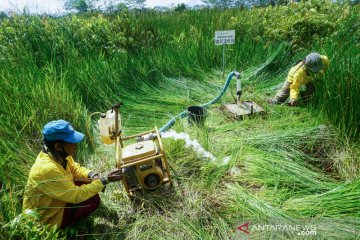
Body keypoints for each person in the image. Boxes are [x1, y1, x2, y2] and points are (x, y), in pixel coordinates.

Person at [23, 120, 122, 229]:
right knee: (93, 200)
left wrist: (92, 175)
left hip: (56, 201)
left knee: (87, 182)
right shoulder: (46, 169)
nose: (75, 145)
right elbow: (76, 195)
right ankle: (65, 229)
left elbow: (74, 169)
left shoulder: (58, 155)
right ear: (58, 146)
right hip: (45, 220)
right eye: (72, 141)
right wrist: (104, 180)